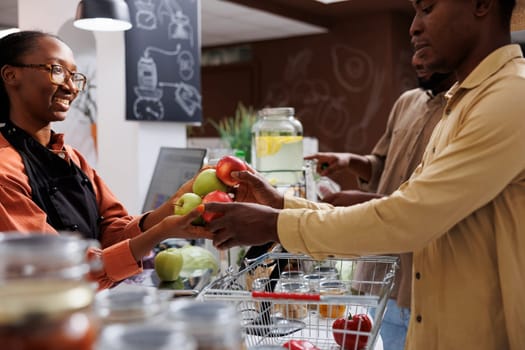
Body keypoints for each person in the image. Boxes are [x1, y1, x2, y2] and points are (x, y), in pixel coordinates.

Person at [203, 1, 525, 349]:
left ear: (481, 4)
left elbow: (407, 218)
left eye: (427, 8)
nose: (413, 27)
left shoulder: (511, 97)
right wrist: (283, 204)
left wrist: (273, 224)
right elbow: (407, 209)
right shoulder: (459, 104)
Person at [0, 30, 211, 289]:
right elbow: (56, 269)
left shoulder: (72, 157)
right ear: (11, 75)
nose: (71, 87)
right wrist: (162, 231)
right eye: (56, 71)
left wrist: (174, 205)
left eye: (74, 76)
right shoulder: (4, 169)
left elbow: (113, 231)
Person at [304, 56, 456, 350]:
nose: (416, 60)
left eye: (426, 51)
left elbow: (432, 204)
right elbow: (382, 163)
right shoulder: (407, 102)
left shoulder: (463, 111)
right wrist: (350, 161)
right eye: (414, 51)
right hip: (379, 274)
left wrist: (361, 203)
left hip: (421, 283)